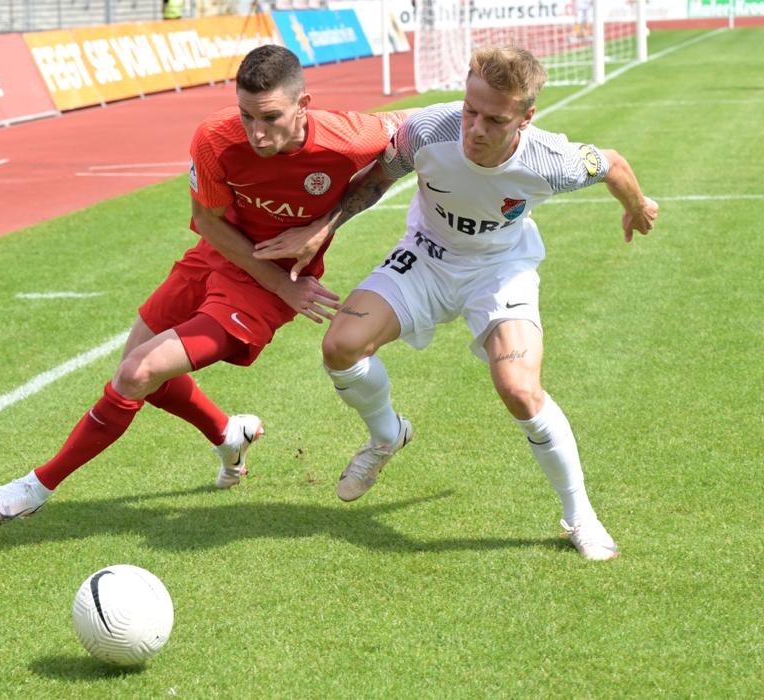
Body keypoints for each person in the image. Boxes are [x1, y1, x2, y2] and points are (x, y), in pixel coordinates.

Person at [0, 44, 410, 524]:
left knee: (137, 373)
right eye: (247, 116)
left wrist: (321, 230)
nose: (257, 133)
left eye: (270, 117)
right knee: (139, 377)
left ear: (303, 105)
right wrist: (280, 281)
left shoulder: (348, 135)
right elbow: (206, 220)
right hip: (221, 256)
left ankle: (35, 487)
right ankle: (228, 433)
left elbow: (419, 128)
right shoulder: (216, 138)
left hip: (267, 288)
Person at [253, 44, 658, 560]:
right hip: (425, 256)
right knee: (340, 346)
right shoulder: (427, 129)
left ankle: (580, 515)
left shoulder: (550, 161)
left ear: (525, 118)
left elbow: (612, 164)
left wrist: (637, 207)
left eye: (495, 119)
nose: (475, 128)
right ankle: (387, 435)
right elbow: (377, 180)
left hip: (499, 271)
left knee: (519, 389)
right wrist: (322, 228)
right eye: (470, 110)